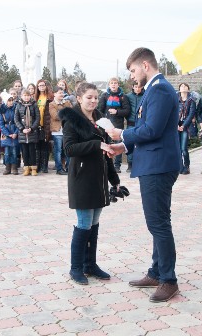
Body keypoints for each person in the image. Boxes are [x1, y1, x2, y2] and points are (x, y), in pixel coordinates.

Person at [107, 47, 180, 302]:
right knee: (159, 221)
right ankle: (157, 271)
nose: (132, 76)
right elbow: (146, 129)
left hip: (159, 165)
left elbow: (152, 130)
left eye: (133, 70)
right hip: (155, 163)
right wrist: (123, 147)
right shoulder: (153, 89)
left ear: (145, 65)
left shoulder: (159, 89)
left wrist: (121, 134)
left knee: (158, 223)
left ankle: (169, 280)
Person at [59, 83, 120, 285]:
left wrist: (115, 181)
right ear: (79, 98)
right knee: (83, 224)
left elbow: (107, 152)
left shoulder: (100, 120)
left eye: (95, 97)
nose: (93, 101)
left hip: (99, 178)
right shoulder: (72, 120)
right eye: (89, 97)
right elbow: (69, 149)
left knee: (94, 224)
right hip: (82, 178)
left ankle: (90, 265)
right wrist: (96, 144)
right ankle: (76, 268)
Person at [98, 77, 130, 173]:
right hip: (106, 125)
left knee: (118, 144)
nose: (113, 84)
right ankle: (105, 163)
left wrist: (117, 112)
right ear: (109, 85)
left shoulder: (123, 97)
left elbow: (127, 111)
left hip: (118, 125)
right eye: (111, 83)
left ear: (118, 85)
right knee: (105, 144)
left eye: (115, 83)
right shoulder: (104, 96)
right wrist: (103, 120)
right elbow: (100, 110)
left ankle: (117, 165)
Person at [14, 89, 40, 176]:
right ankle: (26, 168)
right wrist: (22, 129)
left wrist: (32, 128)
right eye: (24, 95)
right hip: (22, 133)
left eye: (28, 95)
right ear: (21, 96)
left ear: (30, 96)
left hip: (32, 132)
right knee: (24, 152)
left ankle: (33, 168)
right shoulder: (18, 105)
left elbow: (37, 118)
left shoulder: (34, 105)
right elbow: (16, 119)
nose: (26, 97)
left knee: (32, 151)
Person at [49, 85, 72, 175]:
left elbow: (71, 114)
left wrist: (62, 112)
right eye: (59, 93)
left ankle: (68, 168)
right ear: (54, 94)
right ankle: (59, 169)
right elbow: (55, 116)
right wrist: (65, 113)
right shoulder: (51, 104)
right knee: (58, 151)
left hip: (67, 130)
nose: (62, 94)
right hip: (57, 131)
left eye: (62, 93)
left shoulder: (67, 103)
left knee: (67, 150)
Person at [177, 83, 196, 175]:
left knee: (183, 148)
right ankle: (180, 167)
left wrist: (183, 126)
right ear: (179, 89)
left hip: (185, 126)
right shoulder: (175, 99)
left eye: (185, 86)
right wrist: (176, 124)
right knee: (177, 148)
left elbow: (191, 114)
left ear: (188, 89)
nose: (183, 87)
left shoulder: (191, 100)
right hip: (176, 125)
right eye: (181, 86)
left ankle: (186, 166)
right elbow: (172, 112)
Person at [126, 82, 145, 173]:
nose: (137, 88)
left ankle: (141, 163)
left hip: (141, 123)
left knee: (141, 143)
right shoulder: (128, 96)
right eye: (136, 87)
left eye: (139, 87)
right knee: (130, 143)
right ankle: (130, 164)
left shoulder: (145, 95)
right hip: (131, 122)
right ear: (133, 87)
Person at [0, 92, 19, 175]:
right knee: (7, 152)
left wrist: (16, 132)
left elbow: (19, 122)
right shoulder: (2, 111)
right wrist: (7, 133)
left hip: (14, 130)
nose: (11, 102)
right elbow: (1, 124)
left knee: (14, 151)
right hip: (6, 132)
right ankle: (7, 167)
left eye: (12, 100)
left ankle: (14, 167)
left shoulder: (16, 109)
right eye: (9, 100)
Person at [35, 79, 53, 173]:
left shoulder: (49, 97)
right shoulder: (36, 98)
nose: (41, 87)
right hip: (37, 125)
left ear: (46, 86)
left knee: (45, 145)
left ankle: (44, 166)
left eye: (43, 85)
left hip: (46, 125)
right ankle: (38, 165)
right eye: (39, 86)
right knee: (38, 145)